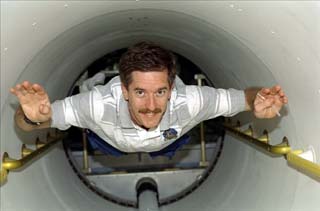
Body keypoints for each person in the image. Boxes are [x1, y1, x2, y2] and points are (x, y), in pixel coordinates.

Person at [10, 41, 288, 156]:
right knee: (99, 142)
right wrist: (31, 117)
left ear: (171, 88)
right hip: (110, 144)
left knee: (173, 143)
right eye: (140, 92)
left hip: (172, 141)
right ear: (123, 91)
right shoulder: (95, 106)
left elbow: (244, 98)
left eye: (160, 92)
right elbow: (28, 124)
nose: (152, 105)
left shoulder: (190, 102)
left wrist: (258, 99)